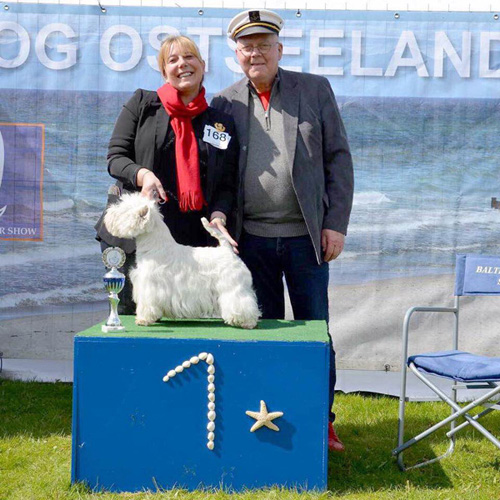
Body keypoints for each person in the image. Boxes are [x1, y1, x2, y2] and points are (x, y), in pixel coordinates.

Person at [211, 9, 354, 452]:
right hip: (250, 241)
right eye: (247, 46)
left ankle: (322, 421)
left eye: (263, 44)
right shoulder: (223, 103)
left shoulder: (314, 89)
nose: (255, 52)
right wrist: (216, 216)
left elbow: (338, 160)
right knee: (263, 334)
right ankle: (268, 418)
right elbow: (219, 174)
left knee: (315, 333)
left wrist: (335, 225)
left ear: (280, 49)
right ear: (236, 53)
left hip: (307, 240)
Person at [96, 35, 238, 314]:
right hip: (138, 237)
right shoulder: (142, 104)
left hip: (191, 246)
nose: (182, 64)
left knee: (188, 322)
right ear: (164, 72)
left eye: (189, 57)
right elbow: (115, 158)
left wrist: (219, 215)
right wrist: (142, 174)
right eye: (172, 60)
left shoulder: (221, 123)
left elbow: (226, 184)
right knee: (130, 318)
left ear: (203, 64)